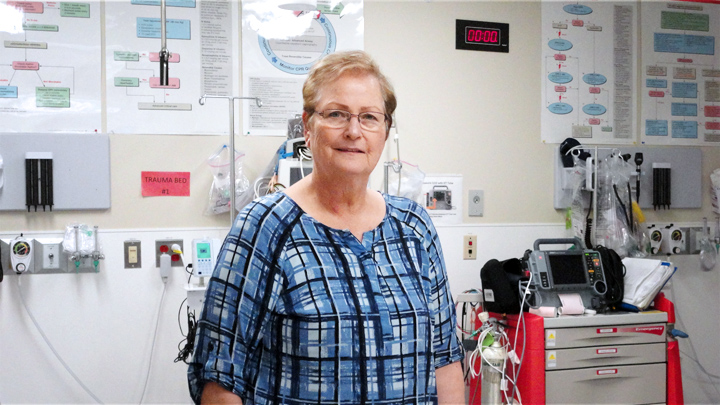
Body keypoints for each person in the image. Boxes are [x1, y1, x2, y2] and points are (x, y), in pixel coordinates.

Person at [188, 50, 465, 404]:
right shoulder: (266, 227)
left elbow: (445, 361)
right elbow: (220, 378)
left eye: (369, 117)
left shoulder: (413, 227)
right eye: (336, 114)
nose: (353, 131)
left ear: (385, 131)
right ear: (307, 126)